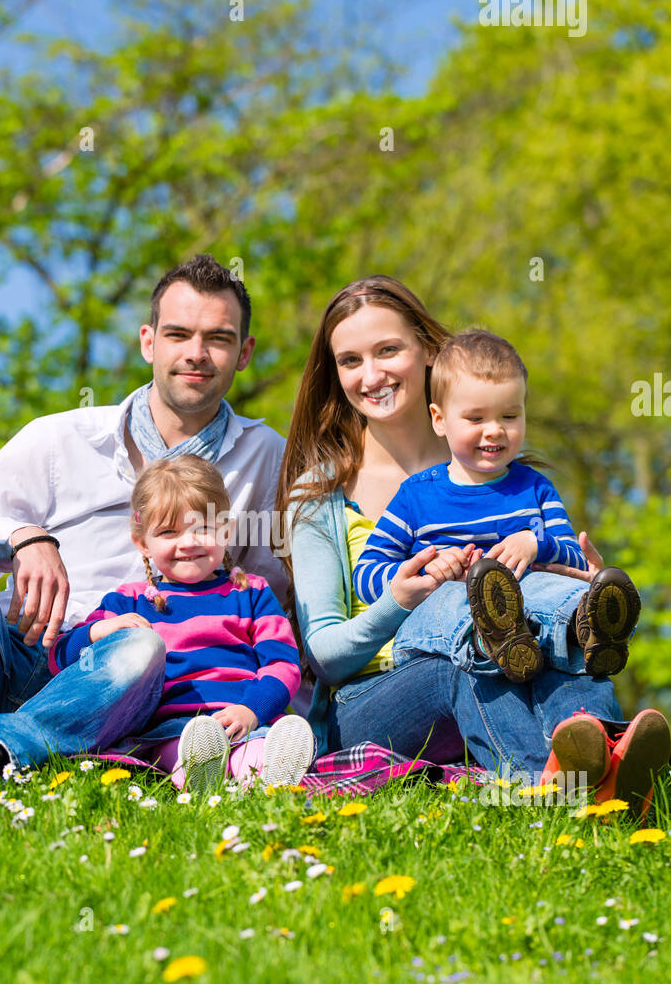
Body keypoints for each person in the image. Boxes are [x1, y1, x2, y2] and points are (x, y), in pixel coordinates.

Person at [0, 255, 287, 782]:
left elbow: (272, 599)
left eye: (219, 338)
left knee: (140, 646)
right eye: (178, 334)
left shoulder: (267, 459)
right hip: (9, 657)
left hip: (120, 685)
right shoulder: (60, 437)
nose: (196, 354)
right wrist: (27, 536)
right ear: (148, 341)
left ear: (244, 352)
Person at [276, 275, 670, 812]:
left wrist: (570, 579)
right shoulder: (320, 493)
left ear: (428, 352)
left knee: (565, 636)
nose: (371, 375)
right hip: (378, 695)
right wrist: (401, 598)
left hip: (517, 645)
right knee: (465, 653)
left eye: (388, 350)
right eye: (350, 360)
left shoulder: (496, 468)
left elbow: (557, 547)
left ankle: (607, 761)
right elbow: (325, 657)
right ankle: (543, 792)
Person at [0, 456, 314, 797]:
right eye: (169, 532)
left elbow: (282, 666)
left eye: (204, 527)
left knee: (257, 744)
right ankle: (207, 771)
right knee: (178, 749)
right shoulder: (127, 600)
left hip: (240, 717)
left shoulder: (250, 592)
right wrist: (96, 633)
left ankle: (259, 769)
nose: (188, 542)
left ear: (226, 529)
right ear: (142, 542)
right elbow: (61, 658)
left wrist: (253, 709)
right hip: (163, 727)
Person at [354, 329, 642, 684]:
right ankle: (490, 638)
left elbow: (575, 560)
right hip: (442, 618)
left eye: (509, 416)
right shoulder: (416, 496)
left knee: (550, 589)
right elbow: (365, 575)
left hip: (527, 615)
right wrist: (423, 574)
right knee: (452, 601)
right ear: (439, 419)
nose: (494, 430)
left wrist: (536, 544)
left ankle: (591, 629)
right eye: (476, 419)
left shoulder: (535, 488)